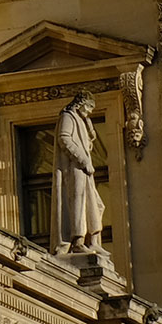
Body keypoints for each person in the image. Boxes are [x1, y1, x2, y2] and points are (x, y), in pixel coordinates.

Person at [55, 91, 104, 250]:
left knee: (96, 204)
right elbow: (64, 139)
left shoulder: (81, 120)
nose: (90, 111)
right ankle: (78, 241)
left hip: (85, 169)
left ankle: (94, 241)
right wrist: (82, 160)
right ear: (81, 102)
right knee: (78, 202)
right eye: (89, 106)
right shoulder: (68, 116)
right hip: (75, 167)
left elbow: (87, 144)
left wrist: (90, 131)